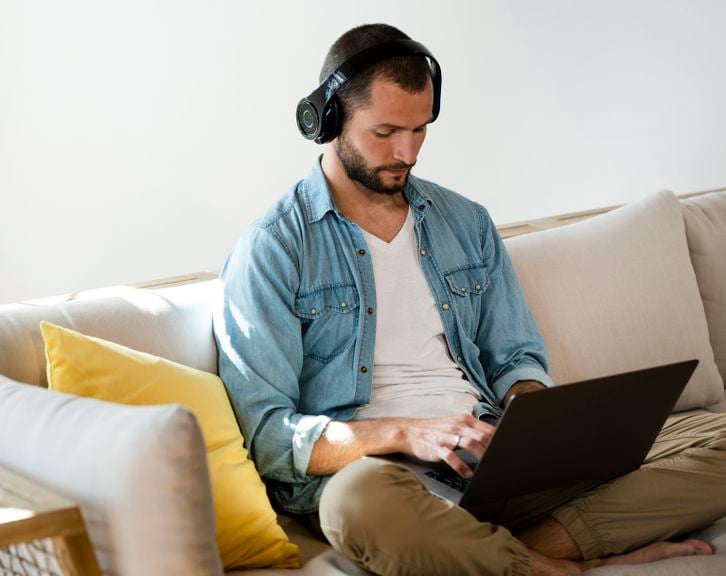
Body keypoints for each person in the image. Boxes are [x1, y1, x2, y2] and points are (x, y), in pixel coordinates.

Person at [213, 23, 726, 576]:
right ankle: (543, 559)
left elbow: (515, 358)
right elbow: (269, 436)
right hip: (381, 480)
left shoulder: (466, 222)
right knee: (356, 505)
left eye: (420, 130)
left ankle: (522, 550)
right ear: (328, 120)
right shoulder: (274, 248)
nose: (406, 152)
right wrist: (407, 431)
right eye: (385, 131)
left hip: (490, 467)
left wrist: (533, 421)